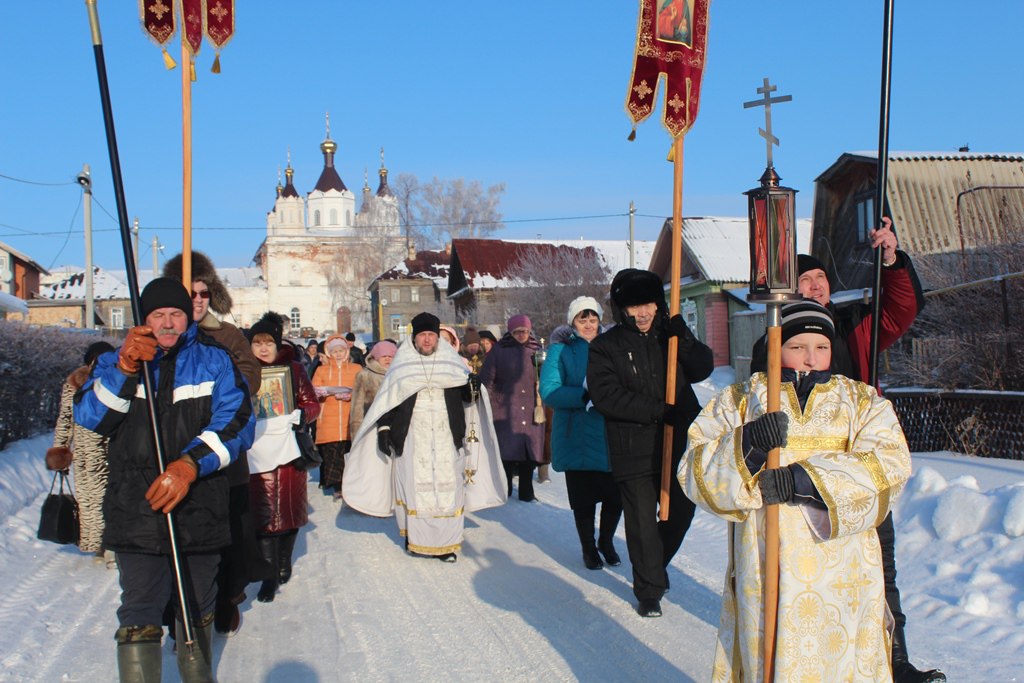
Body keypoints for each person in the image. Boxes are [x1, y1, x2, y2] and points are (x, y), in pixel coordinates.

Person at [680, 299, 912, 681]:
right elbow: (694, 471)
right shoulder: (743, 400)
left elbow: (890, 466)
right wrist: (748, 444)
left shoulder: (861, 400)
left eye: (821, 348)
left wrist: (801, 481)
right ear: (777, 347)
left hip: (844, 571)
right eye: (798, 346)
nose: (810, 357)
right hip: (767, 560)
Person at [750, 218, 940, 683]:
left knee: (881, 565)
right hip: (802, 483)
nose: (815, 285)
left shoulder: (853, 325)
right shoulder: (770, 346)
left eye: (820, 278)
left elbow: (900, 309)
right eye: (804, 280)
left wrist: (891, 260)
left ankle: (893, 661)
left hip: (861, 469)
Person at [74, 277, 255, 682]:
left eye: (176, 313)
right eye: (158, 315)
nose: (168, 323)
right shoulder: (117, 361)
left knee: (195, 607)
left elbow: (238, 423)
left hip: (199, 506)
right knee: (139, 610)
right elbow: (91, 418)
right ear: (145, 319)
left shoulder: (214, 360)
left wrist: (190, 464)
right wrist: (123, 370)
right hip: (135, 507)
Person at [587, 268, 714, 617]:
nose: (643, 313)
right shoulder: (605, 347)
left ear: (658, 304)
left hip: (678, 447)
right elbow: (606, 396)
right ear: (621, 308)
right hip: (633, 448)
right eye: (634, 306)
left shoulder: (669, 337)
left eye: (649, 304)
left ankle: (653, 566)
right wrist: (660, 411)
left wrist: (683, 338)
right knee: (642, 522)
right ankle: (649, 590)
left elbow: (704, 368)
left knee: (680, 513)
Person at [343, 312, 506, 561]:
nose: (427, 340)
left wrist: (472, 387)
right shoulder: (401, 366)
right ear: (414, 339)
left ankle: (446, 544)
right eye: (422, 336)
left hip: (446, 438)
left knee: (447, 490)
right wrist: (385, 430)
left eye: (431, 335)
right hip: (412, 439)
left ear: (437, 338)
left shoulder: (451, 364)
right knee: (415, 489)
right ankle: (416, 539)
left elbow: (466, 398)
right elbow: (388, 402)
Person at [164, 250, 263, 636]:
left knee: (226, 533)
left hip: (220, 454)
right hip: (174, 451)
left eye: (204, 293)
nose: (198, 300)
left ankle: (224, 598)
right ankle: (178, 610)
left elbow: (250, 379)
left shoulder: (227, 336)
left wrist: (216, 376)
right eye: (190, 293)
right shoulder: (160, 338)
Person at [539, 297, 623, 570]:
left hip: (611, 431)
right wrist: (584, 395)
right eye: (582, 319)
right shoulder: (560, 350)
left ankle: (606, 541)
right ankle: (588, 547)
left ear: (600, 319)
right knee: (583, 497)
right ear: (572, 322)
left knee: (615, 494)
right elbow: (549, 390)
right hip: (576, 433)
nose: (588, 324)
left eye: (592, 318)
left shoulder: (614, 345)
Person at [246, 313, 320, 603]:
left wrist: (303, 414)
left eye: (268, 343)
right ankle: (267, 575)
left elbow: (311, 403)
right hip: (255, 451)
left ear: (277, 344)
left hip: (289, 452)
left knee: (288, 512)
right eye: (257, 343)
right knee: (263, 516)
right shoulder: (244, 371)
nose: (263, 349)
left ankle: (283, 563)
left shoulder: (293, 370)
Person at [46, 340, 115, 559]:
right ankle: (100, 544)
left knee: (114, 500)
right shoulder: (75, 385)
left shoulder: (118, 381)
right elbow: (65, 419)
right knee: (91, 502)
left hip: (114, 450)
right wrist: (61, 450)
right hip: (87, 455)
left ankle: (113, 544)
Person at [479, 314, 547, 502]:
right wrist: (486, 401)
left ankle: (527, 489)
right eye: (517, 332)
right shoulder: (499, 350)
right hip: (505, 407)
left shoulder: (536, 349)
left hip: (533, 406)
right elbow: (487, 379)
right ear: (511, 332)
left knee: (529, 451)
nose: (522, 335)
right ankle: (505, 486)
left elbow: (546, 374)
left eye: (525, 331)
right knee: (506, 450)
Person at [312, 334, 362, 499]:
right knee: (333, 454)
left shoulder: (356, 369)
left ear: (347, 351)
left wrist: (352, 395)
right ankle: (337, 486)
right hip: (328, 419)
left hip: (350, 417)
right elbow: (313, 390)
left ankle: (352, 485)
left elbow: (363, 389)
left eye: (341, 350)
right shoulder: (321, 370)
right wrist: (323, 392)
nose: (339, 354)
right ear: (329, 353)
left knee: (350, 452)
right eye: (335, 351)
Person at [349, 340, 397, 437]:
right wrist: (356, 433)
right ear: (376, 358)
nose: (387, 359)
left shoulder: (399, 374)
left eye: (390, 356)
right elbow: (357, 406)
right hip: (371, 426)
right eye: (384, 356)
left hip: (396, 426)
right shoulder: (365, 375)